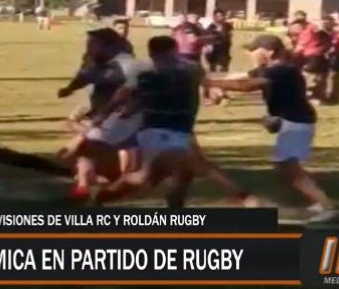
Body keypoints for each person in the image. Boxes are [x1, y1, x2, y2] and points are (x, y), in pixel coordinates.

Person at [93, 36, 253, 208]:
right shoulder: (144, 71)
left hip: (183, 129)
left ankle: (104, 196)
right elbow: (126, 94)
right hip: (156, 130)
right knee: (193, 163)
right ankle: (245, 198)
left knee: (156, 177)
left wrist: (239, 86)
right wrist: (106, 113)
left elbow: (208, 84)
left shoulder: (190, 69)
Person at [206, 34, 337, 221]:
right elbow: (243, 76)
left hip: (296, 123)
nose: (251, 54)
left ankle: (326, 205)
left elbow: (246, 86)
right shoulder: (275, 70)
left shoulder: (280, 70)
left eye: (254, 50)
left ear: (269, 52)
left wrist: (209, 82)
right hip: (292, 122)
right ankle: (320, 202)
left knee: (289, 169)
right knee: (287, 169)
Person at [57, 28, 145, 198]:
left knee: (87, 147)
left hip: (122, 117)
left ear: (109, 46)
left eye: (93, 44)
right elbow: (83, 78)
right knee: (88, 150)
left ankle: (111, 183)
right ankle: (87, 185)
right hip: (101, 115)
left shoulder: (127, 65)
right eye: (88, 43)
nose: (88, 47)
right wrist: (69, 88)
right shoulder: (95, 62)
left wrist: (131, 107)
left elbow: (142, 89)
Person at [293, 12, 333, 105]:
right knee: (318, 77)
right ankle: (319, 97)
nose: (297, 28)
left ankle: (311, 98)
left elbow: (300, 47)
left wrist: (291, 55)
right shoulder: (314, 29)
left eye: (298, 26)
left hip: (313, 57)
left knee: (306, 77)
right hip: (319, 57)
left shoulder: (306, 32)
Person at [203, 9, 234, 104]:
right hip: (213, 55)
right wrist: (208, 46)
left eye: (221, 16)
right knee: (214, 74)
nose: (219, 18)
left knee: (223, 74)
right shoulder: (210, 28)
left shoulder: (227, 26)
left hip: (225, 53)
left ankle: (222, 93)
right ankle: (213, 96)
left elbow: (229, 38)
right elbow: (207, 40)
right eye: (217, 16)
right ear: (214, 17)